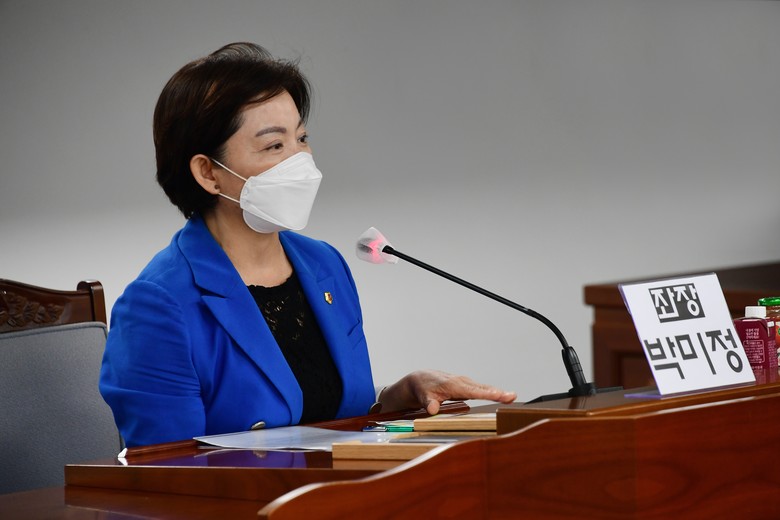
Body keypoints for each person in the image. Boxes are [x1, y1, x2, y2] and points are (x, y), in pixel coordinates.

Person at [99, 42, 516, 448]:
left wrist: (397, 397)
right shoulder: (158, 304)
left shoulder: (323, 264)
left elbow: (332, 422)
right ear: (208, 173)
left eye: (301, 139)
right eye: (274, 145)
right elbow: (167, 470)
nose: (300, 161)